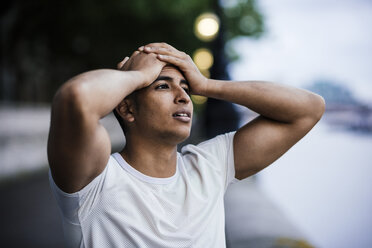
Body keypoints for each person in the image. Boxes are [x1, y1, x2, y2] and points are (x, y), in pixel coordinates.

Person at [47, 42, 325, 248]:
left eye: (186, 88)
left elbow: (308, 109)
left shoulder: (209, 166)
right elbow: (76, 98)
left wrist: (206, 84)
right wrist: (139, 76)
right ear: (127, 109)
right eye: (163, 86)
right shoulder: (95, 182)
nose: (184, 97)